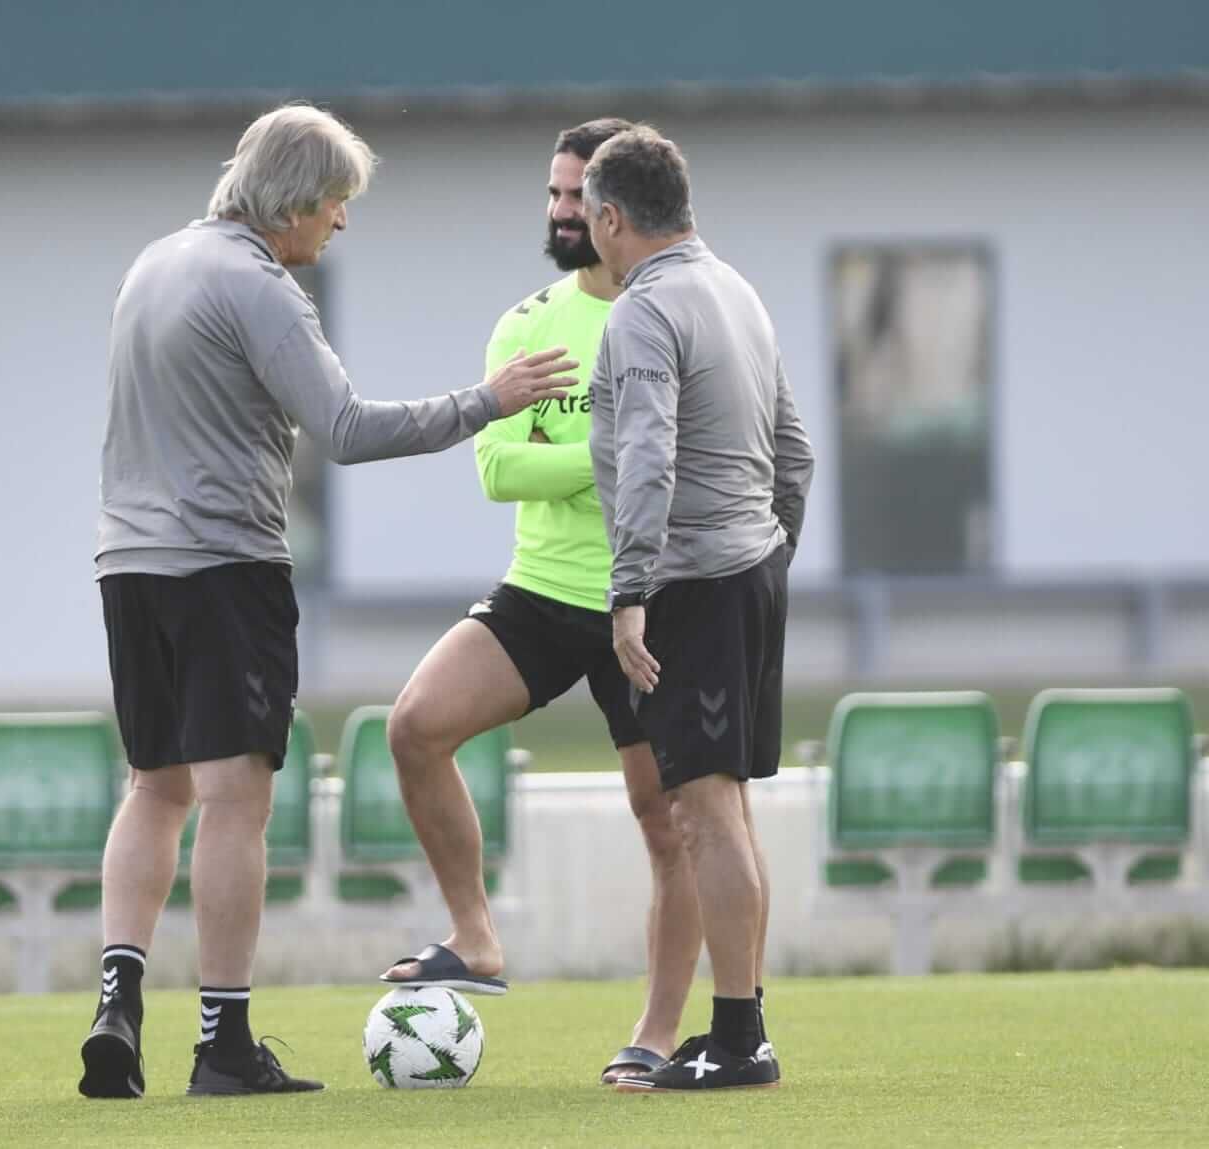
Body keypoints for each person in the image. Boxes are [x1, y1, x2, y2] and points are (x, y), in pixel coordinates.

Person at [81, 103, 578, 1100]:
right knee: (234, 802)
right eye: (336, 204)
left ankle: (118, 1002)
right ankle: (223, 1042)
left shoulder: (155, 263)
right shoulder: (257, 287)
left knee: (154, 786)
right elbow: (346, 429)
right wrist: (489, 400)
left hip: (127, 565)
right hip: (225, 568)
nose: (340, 224)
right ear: (296, 200)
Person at [379, 118, 707, 1084]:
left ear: (615, 211)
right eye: (553, 196)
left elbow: (679, 465)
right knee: (414, 726)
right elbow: (497, 469)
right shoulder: (525, 322)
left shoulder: (666, 314)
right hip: (542, 593)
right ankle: (475, 937)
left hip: (645, 601)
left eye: (576, 198)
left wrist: (578, 462)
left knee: (667, 819)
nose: (561, 214)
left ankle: (654, 1033)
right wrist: (604, 454)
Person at [583, 126, 814, 1093]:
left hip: (696, 580)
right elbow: (792, 448)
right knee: (727, 805)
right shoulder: (738, 291)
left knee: (702, 809)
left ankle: (739, 1040)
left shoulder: (645, 312)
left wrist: (630, 589)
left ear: (609, 218)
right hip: (750, 569)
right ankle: (737, 1026)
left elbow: (647, 459)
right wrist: (770, 554)